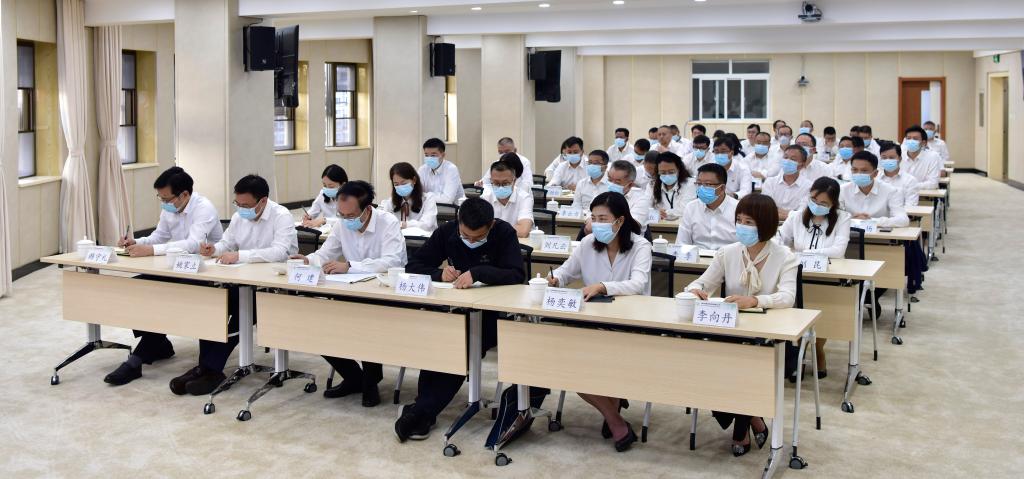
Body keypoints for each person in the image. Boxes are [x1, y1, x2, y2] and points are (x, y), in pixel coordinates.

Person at [395, 198, 527, 442]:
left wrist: (478, 273)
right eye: (466, 236)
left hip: (492, 315)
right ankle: (422, 410)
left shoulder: (504, 232)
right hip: (455, 310)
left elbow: (517, 274)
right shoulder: (447, 231)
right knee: (438, 342)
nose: (472, 241)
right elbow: (414, 265)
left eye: (479, 237)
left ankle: (421, 412)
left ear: (491, 225)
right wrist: (439, 274)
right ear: (458, 223)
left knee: (461, 347)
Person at [685, 193, 797, 457]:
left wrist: (755, 300)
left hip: (768, 335)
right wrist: (695, 291)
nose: (742, 227)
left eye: (749, 222)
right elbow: (701, 283)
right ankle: (754, 417)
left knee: (744, 368)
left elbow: (788, 297)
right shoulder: (728, 252)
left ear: (766, 225)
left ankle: (741, 430)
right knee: (709, 368)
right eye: (739, 220)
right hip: (730, 330)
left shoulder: (785, 256)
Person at [172, 175, 297, 396]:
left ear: (263, 201)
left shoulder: (282, 216)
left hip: (272, 287)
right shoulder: (240, 216)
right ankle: (204, 368)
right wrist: (214, 249)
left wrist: (240, 255)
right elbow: (227, 243)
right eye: (237, 204)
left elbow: (280, 252)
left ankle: (211, 369)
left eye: (246, 205)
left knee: (241, 312)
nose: (241, 209)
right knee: (212, 305)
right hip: (241, 281)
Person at [548, 192, 652, 452]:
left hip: (630, 325)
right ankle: (615, 418)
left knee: (602, 366)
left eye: (603, 219)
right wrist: (555, 279)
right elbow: (565, 271)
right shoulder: (587, 244)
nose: (596, 224)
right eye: (593, 218)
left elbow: (638, 284)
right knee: (570, 369)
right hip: (591, 323)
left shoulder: (640, 246)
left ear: (620, 220)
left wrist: (603, 286)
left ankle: (614, 414)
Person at [293, 180, 408, 407]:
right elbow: (326, 253)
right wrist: (308, 260)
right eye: (341, 215)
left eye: (351, 215)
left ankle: (370, 382)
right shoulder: (342, 224)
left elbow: (393, 260)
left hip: (383, 293)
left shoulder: (388, 222)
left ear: (367, 209)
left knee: (365, 324)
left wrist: (350, 266)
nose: (346, 220)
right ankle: (354, 378)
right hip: (349, 289)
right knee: (317, 323)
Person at [105, 167, 223, 386]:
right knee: (138, 288)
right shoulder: (171, 208)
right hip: (175, 266)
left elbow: (193, 244)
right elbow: (159, 236)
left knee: (167, 298)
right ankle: (159, 344)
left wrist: (151, 250)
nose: (164, 203)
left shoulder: (204, 208)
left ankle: (136, 360)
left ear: (184, 195)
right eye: (160, 198)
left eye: (167, 199)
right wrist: (136, 242)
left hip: (204, 272)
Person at [779, 176, 851, 378]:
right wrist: (788, 252)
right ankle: (797, 355)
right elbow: (779, 240)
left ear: (833, 204)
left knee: (823, 313)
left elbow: (838, 250)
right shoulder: (796, 216)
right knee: (794, 311)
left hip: (828, 277)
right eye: (814, 200)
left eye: (823, 203)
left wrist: (802, 254)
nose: (817, 205)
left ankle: (818, 350)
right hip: (796, 274)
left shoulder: (843, 218)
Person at [676, 163, 739, 250]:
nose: (702, 188)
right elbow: (682, 242)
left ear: (722, 188)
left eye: (708, 184)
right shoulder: (691, 207)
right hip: (698, 256)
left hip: (728, 257)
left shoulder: (738, 208)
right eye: (699, 183)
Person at [839, 152, 909, 227]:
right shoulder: (842, 190)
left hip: (879, 233)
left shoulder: (891, 191)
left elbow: (903, 220)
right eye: (855, 170)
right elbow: (834, 217)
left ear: (875, 173)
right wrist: (853, 220)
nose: (858, 173)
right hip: (850, 233)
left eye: (864, 170)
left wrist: (871, 221)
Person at [378, 162, 439, 232]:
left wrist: (404, 225)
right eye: (396, 184)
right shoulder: (390, 202)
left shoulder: (428, 199)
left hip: (424, 238)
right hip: (400, 238)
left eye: (403, 183)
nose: (400, 187)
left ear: (414, 180)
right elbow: (382, 221)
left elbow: (426, 225)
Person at [482, 158, 534, 238]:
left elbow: (523, 231)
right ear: (491, 180)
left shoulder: (524, 198)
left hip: (517, 243)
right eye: (496, 183)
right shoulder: (485, 197)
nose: (500, 187)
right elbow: (478, 227)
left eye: (505, 183)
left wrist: (492, 229)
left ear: (514, 181)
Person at [761, 145, 814, 218]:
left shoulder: (809, 186)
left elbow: (802, 213)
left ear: (802, 165)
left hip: (795, 223)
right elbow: (766, 208)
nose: (787, 161)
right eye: (785, 157)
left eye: (793, 159)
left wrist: (778, 212)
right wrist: (792, 214)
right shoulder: (770, 182)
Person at [604, 160, 653, 230]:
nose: (611, 184)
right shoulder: (603, 193)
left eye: (617, 182)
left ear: (630, 185)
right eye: (610, 180)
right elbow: (590, 216)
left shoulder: (641, 199)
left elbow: (633, 226)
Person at [652, 152, 695, 220]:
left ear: (679, 169)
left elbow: (685, 209)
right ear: (658, 172)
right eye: (663, 172)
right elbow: (645, 206)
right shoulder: (652, 185)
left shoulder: (690, 183)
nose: (667, 175)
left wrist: (661, 213)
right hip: (660, 225)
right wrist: (655, 213)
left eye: (671, 172)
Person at [419, 138, 465, 203]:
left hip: (453, 207)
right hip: (430, 207)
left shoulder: (451, 169)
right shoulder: (422, 169)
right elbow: (417, 193)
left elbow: (447, 200)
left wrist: (424, 196)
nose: (429, 158)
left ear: (443, 155)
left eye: (433, 155)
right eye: (426, 155)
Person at [877, 142, 920, 207]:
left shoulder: (910, 181)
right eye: (884, 158)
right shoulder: (875, 178)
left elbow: (910, 206)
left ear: (899, 159)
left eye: (891, 158)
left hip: (900, 213)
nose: (888, 160)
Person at [899, 125, 942, 190]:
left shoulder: (933, 156)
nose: (911, 141)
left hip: (923, 194)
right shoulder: (898, 155)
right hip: (899, 193)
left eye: (915, 139)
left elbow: (933, 183)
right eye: (908, 138)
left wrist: (910, 186)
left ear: (923, 143)